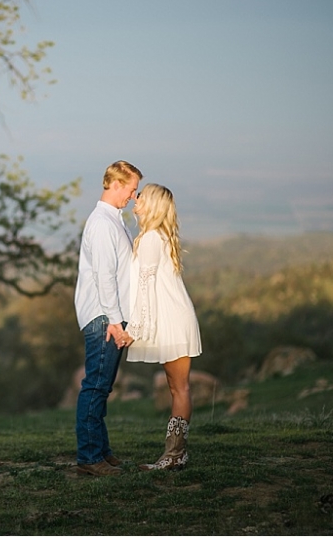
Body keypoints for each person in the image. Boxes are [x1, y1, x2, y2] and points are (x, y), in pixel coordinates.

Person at [126, 183, 202, 471]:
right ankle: (177, 454)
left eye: (141, 195)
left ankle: (175, 455)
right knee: (177, 387)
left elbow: (145, 289)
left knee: (179, 387)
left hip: (172, 320)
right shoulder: (157, 236)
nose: (136, 197)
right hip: (173, 317)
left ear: (153, 203)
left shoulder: (150, 239)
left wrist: (134, 329)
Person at [74, 160, 143, 476]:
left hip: (110, 315)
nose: (133, 196)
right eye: (131, 189)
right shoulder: (102, 223)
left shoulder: (114, 220)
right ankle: (90, 458)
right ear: (116, 184)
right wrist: (115, 322)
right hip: (104, 317)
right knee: (95, 386)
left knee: (103, 386)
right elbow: (104, 277)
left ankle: (101, 450)